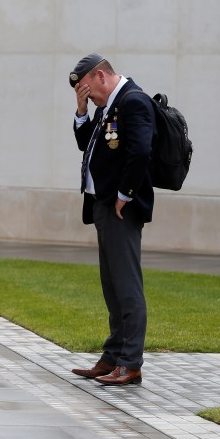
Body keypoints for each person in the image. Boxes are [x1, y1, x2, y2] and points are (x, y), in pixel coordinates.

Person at [68, 54, 155, 386]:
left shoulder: (133, 102)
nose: (90, 99)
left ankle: (130, 363)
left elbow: (141, 151)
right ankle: (113, 355)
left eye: (89, 93)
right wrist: (82, 112)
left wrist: (124, 193)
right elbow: (85, 144)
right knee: (112, 285)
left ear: (101, 76)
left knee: (127, 286)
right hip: (103, 204)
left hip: (121, 206)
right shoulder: (108, 105)